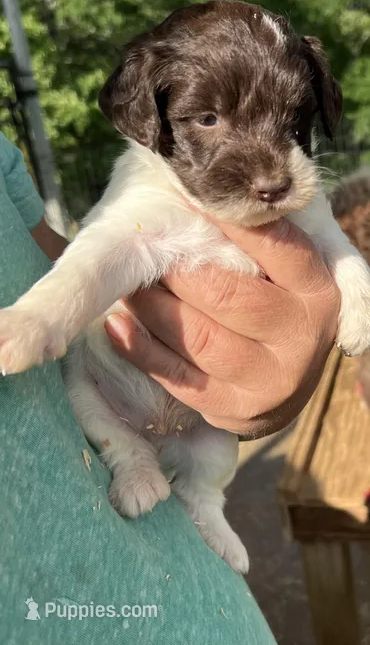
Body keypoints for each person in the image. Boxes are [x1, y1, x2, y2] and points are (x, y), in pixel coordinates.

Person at [0, 131, 339, 644]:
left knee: (210, 457)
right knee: (80, 383)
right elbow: (111, 244)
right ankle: (130, 457)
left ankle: (205, 500)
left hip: (219, 613)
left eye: (290, 126)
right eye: (208, 119)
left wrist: (266, 354)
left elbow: (68, 256)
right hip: (105, 406)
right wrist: (41, 317)